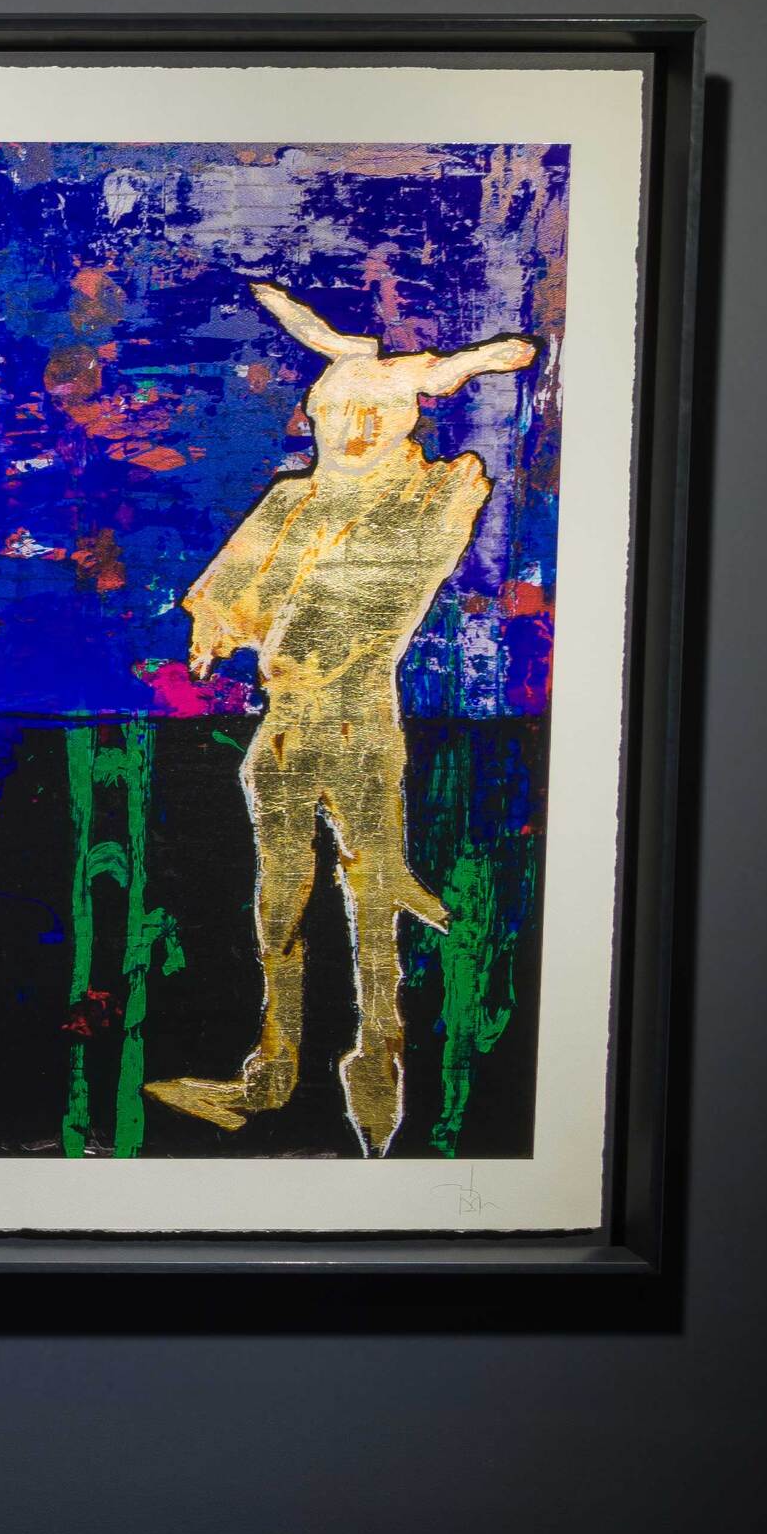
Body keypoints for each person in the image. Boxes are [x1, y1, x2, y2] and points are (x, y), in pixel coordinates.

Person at [144, 278, 534, 1157]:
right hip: (283, 731)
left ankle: (378, 1064)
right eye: (338, 415)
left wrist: (447, 367)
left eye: (375, 416)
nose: (354, 432)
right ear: (315, 418)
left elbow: (355, 611)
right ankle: (272, 1070)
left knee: (370, 911)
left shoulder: (434, 495)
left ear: (403, 423)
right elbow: (231, 607)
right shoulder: (291, 502)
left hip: (358, 726)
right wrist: (217, 624)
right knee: (278, 908)